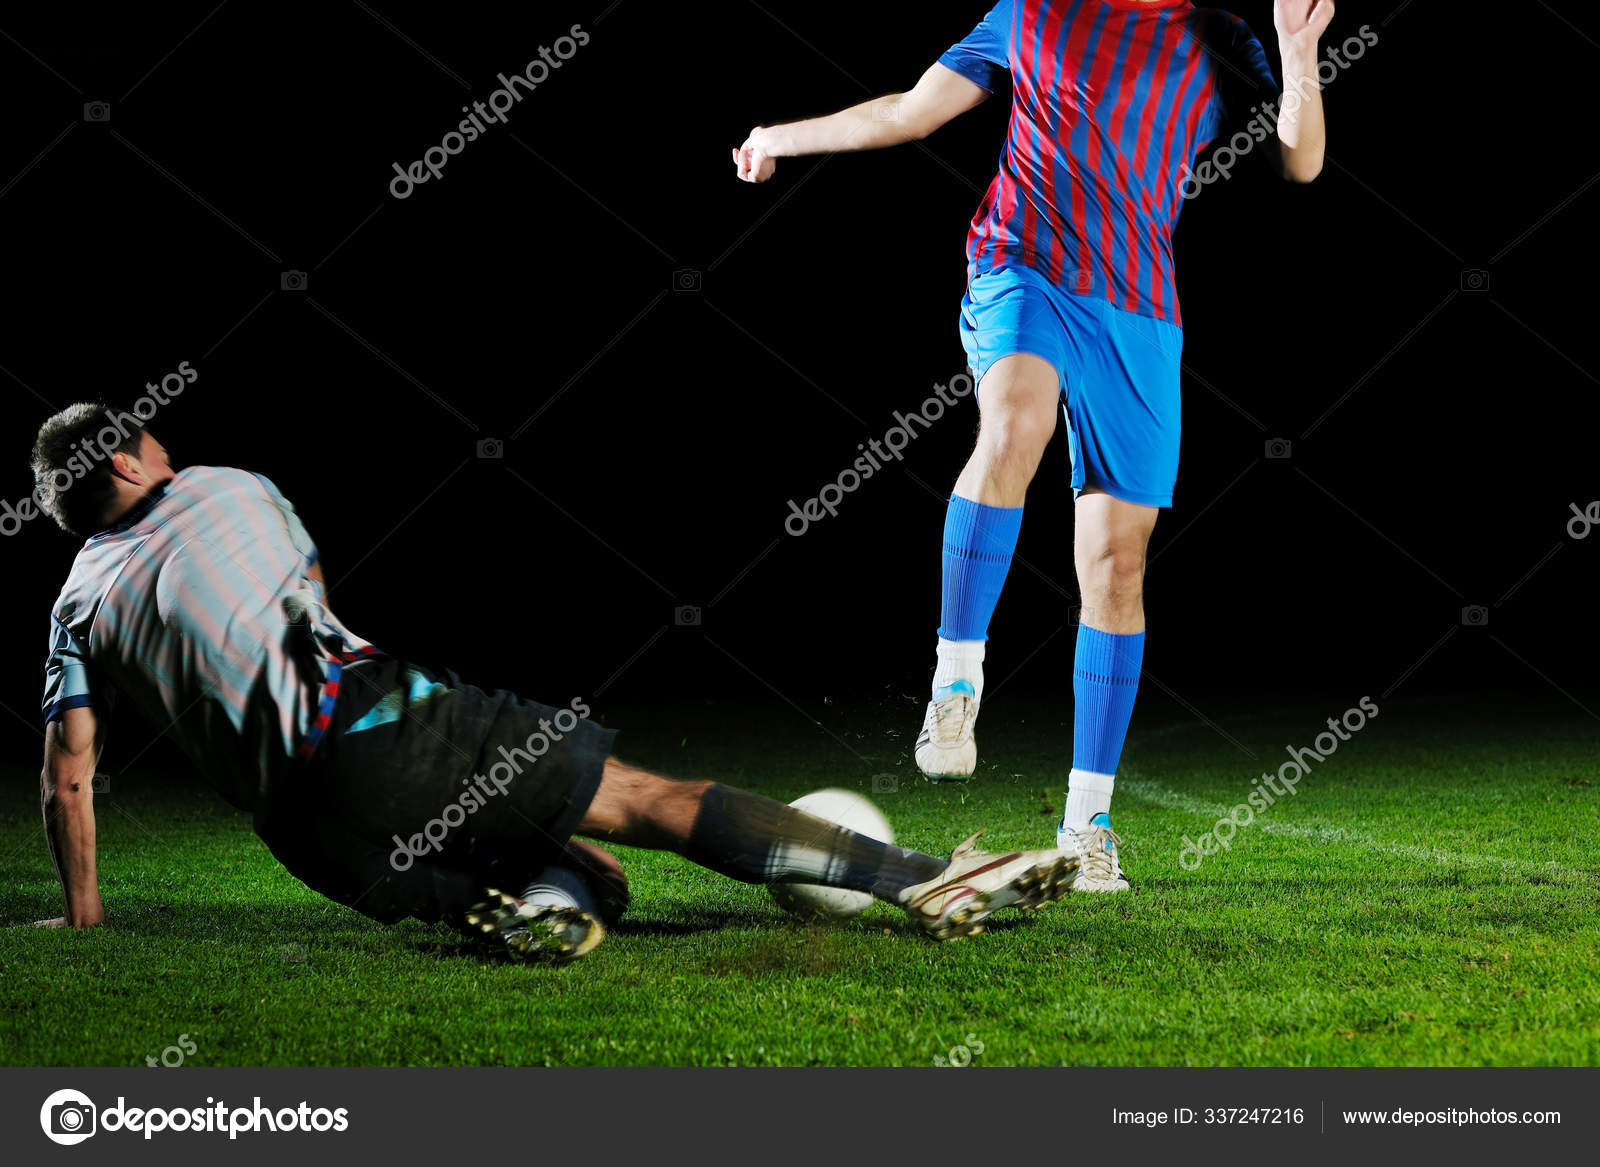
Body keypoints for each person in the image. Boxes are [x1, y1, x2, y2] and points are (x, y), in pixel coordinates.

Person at [29, 404, 1078, 962]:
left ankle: (536, 899)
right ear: (124, 461)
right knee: (647, 801)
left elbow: (68, 776)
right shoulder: (226, 486)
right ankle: (923, 878)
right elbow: (304, 594)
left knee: (592, 881)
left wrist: (83, 917)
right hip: (378, 720)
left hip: (310, 838)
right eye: (148, 434)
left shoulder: (76, 604)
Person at [734, 0, 1332, 890]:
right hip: (1024, 266)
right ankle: (956, 683)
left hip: (1139, 313)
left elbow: (1301, 160)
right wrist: (778, 137)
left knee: (1117, 564)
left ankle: (1088, 825)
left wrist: (1297, 51)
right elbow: (909, 111)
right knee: (1016, 421)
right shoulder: (1033, 11)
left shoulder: (1220, 38)